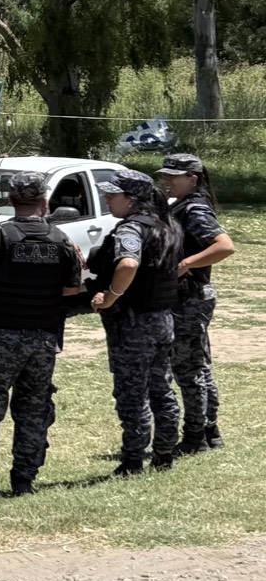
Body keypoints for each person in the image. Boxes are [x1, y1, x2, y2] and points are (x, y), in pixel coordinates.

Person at [0, 171, 84, 501]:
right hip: (43, 338)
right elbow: (72, 287)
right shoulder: (60, 238)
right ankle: (24, 479)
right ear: (44, 200)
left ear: (10, 200)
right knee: (34, 409)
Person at [88, 167, 182, 475]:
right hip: (162, 318)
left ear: (132, 199)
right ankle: (164, 452)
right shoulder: (168, 225)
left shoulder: (131, 229)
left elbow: (128, 264)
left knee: (133, 391)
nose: (107, 199)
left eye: (112, 195)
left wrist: (111, 296)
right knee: (161, 387)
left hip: (133, 321)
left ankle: (132, 460)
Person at [160, 153, 234, 453]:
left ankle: (196, 436)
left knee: (187, 370)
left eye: (173, 176)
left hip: (188, 298)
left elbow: (224, 246)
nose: (166, 180)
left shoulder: (194, 209)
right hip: (191, 297)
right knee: (197, 366)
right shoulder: (183, 205)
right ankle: (208, 431)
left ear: (192, 178)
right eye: (164, 175)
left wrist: (185, 264)